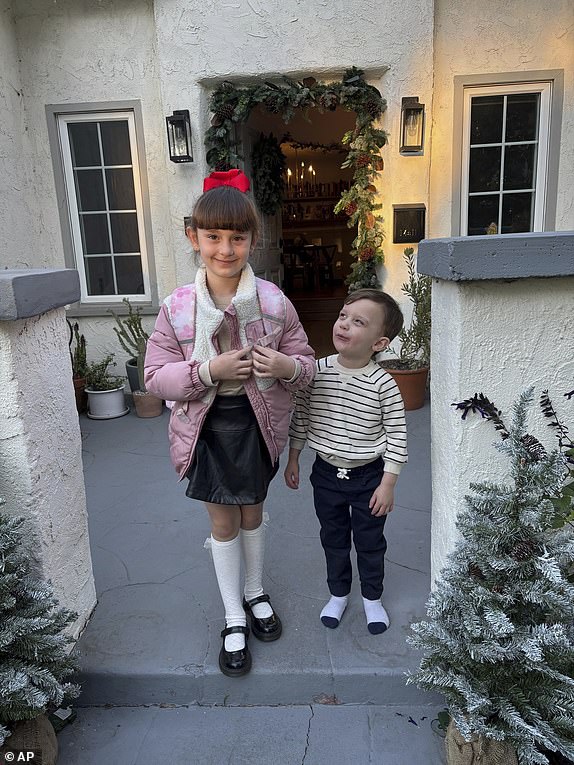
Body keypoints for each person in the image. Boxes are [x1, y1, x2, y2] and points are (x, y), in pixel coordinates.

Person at [144, 169, 315, 677]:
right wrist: (207, 370)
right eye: (213, 237)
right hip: (206, 428)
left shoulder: (274, 302)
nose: (225, 248)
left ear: (252, 240)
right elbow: (155, 377)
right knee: (223, 521)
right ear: (192, 237)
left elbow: (303, 362)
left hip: (259, 425)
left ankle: (256, 590)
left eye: (237, 237)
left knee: (253, 514)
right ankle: (233, 615)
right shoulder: (176, 308)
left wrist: (285, 367)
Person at [284, 289, 407, 634]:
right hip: (324, 473)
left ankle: (372, 598)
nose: (344, 324)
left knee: (370, 542)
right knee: (333, 537)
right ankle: (338, 593)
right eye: (343, 316)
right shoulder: (317, 371)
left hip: (369, 477)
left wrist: (388, 483)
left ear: (379, 343)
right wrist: (294, 456)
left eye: (358, 322)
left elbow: (397, 435)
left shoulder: (383, 384)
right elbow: (302, 415)